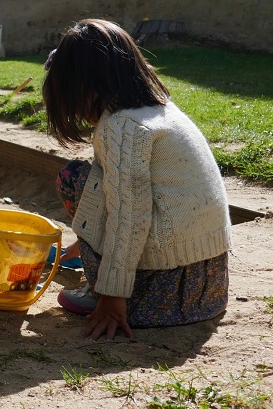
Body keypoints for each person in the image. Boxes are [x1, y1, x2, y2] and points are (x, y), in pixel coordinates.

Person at [42, 19, 232, 341]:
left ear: (88, 88)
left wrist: (112, 298)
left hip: (164, 292)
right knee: (99, 181)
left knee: (74, 178)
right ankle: (106, 274)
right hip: (208, 284)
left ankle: (110, 289)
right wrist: (83, 241)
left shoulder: (123, 127)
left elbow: (129, 216)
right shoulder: (159, 109)